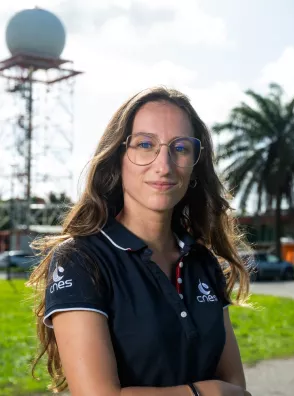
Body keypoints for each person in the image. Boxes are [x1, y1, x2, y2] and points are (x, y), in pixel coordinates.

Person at [27, 86, 252, 396]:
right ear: (118, 158)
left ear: (195, 164)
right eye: (145, 144)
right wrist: (205, 393)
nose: (164, 165)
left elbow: (236, 385)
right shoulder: (80, 260)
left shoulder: (203, 262)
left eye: (181, 147)